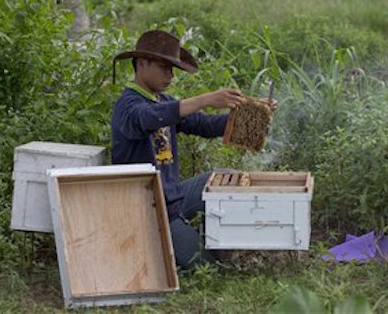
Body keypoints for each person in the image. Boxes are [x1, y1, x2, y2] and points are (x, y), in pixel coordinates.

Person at [111, 29, 274, 269]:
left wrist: (254, 113)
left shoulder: (163, 101)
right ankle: (166, 251)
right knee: (207, 268)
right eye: (164, 68)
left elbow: (204, 125)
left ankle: (190, 238)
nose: (170, 76)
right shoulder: (128, 105)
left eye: (173, 70)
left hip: (172, 198)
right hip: (148, 210)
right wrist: (205, 99)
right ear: (142, 63)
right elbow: (148, 118)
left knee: (225, 181)